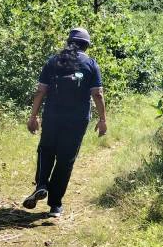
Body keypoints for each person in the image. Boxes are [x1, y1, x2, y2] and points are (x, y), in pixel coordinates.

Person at [22, 28, 107, 217]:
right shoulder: (91, 64)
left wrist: (33, 116)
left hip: (52, 116)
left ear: (69, 42)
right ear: (86, 45)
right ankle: (55, 205)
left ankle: (42, 184)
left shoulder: (53, 61)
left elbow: (40, 91)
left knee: (46, 150)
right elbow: (97, 94)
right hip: (77, 121)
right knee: (66, 159)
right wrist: (102, 120)